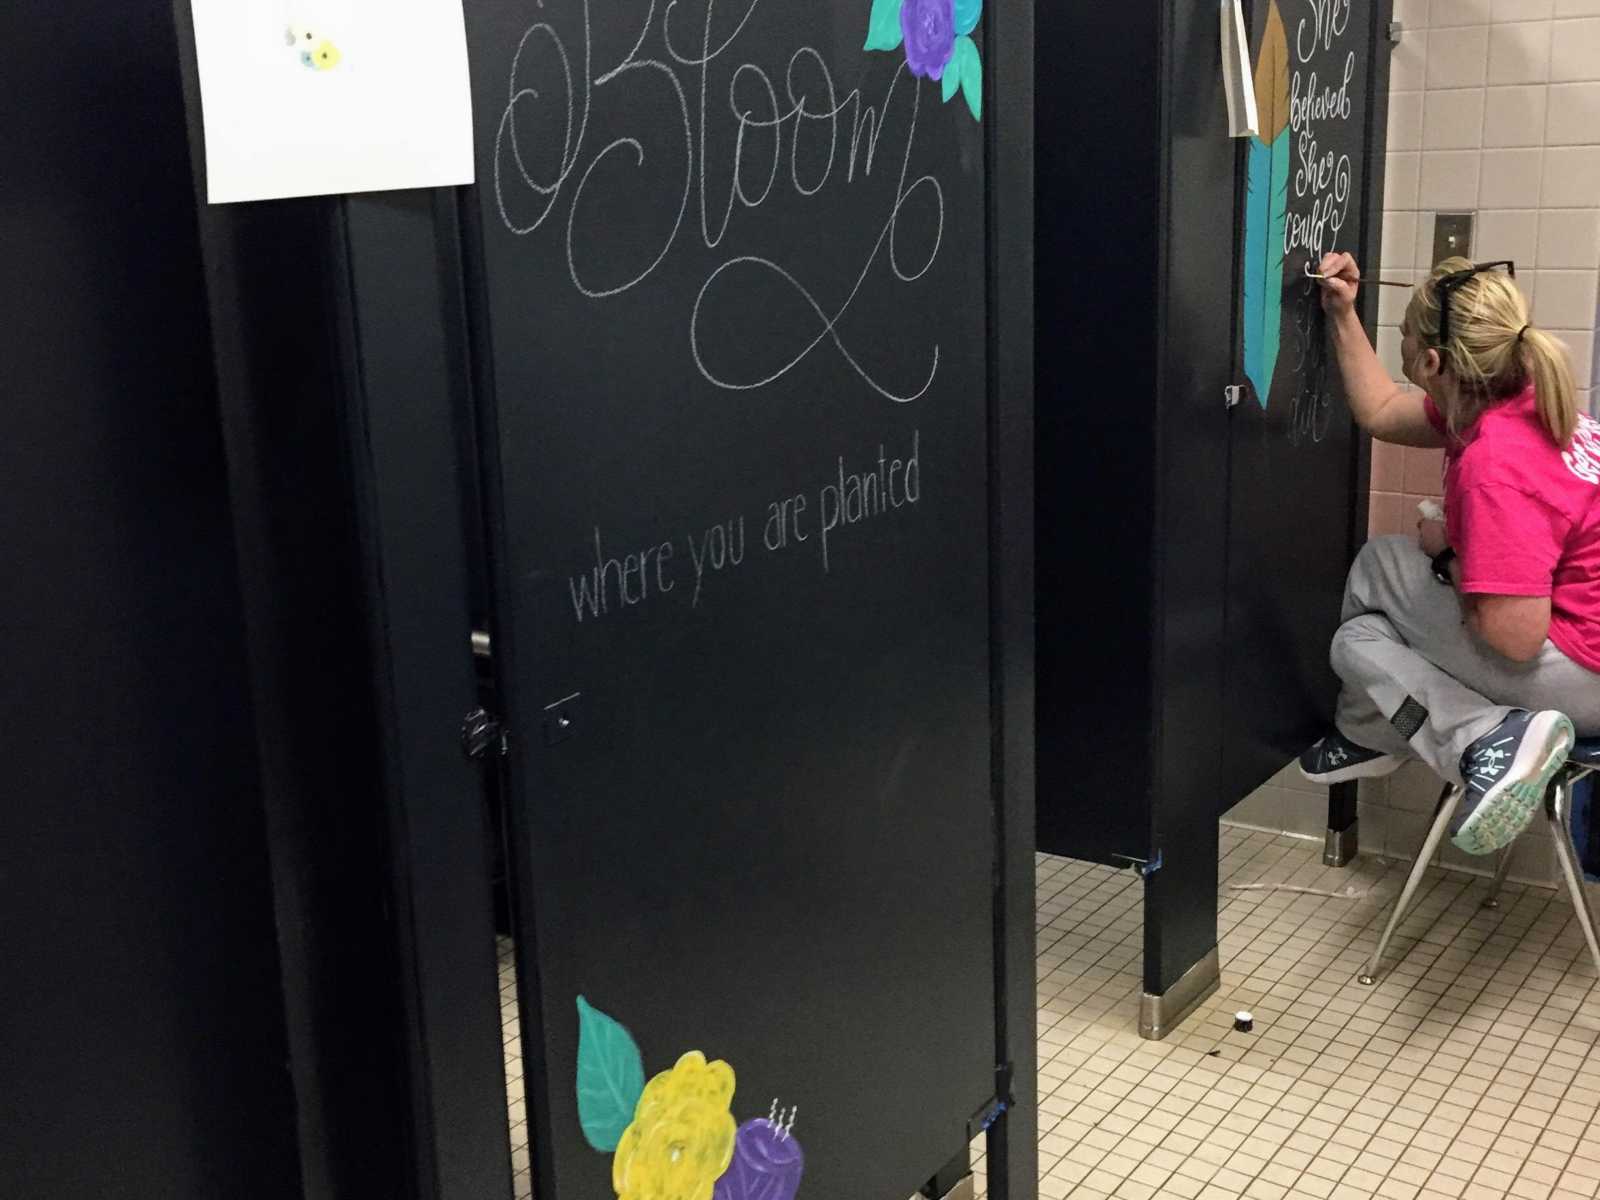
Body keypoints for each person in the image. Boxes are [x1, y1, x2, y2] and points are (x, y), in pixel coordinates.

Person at [1299, 252, 1600, 857]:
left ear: (1431, 363)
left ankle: (1475, 736)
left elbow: (1515, 637)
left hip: (1582, 676)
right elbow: (1382, 411)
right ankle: (1384, 734)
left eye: (1406, 342)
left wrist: (1444, 556)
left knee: (1381, 569)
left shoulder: (1496, 462)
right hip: (1585, 654)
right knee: (1357, 644)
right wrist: (1342, 311)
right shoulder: (1526, 401)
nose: (1403, 352)